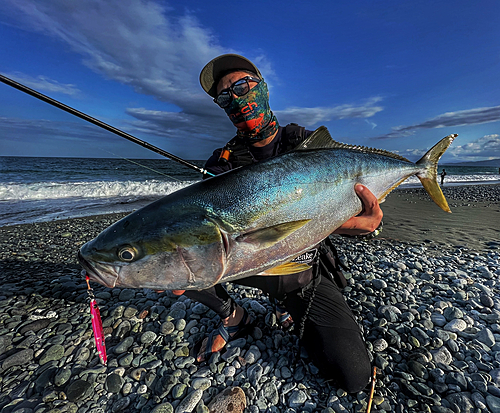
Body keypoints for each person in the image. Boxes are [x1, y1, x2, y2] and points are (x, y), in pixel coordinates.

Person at [177, 54, 383, 393]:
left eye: (242, 86)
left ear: (264, 89)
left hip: (303, 273)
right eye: (225, 96)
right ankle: (233, 316)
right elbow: (198, 226)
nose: (237, 100)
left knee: (354, 376)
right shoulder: (222, 163)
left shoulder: (308, 144)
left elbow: (356, 199)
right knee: (178, 260)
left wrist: (372, 224)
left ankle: (293, 308)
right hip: (249, 266)